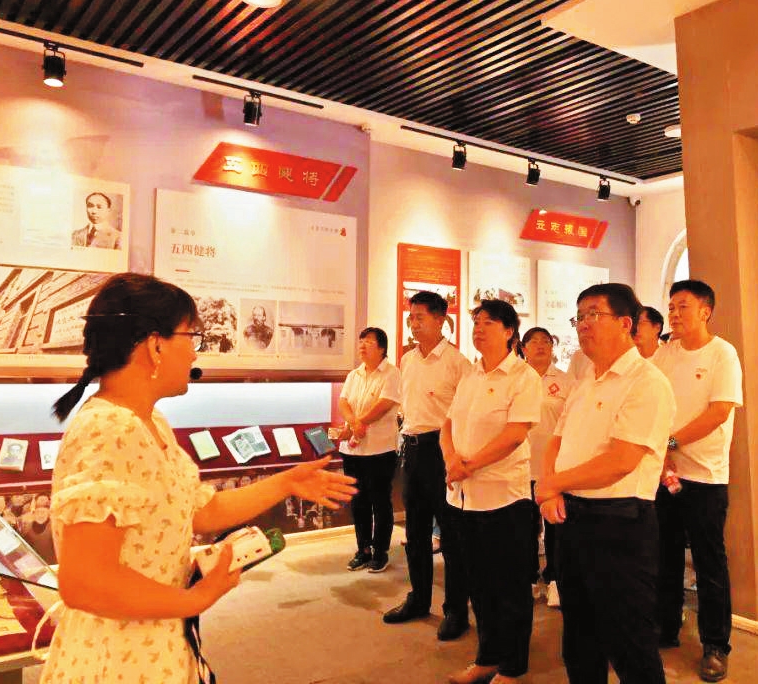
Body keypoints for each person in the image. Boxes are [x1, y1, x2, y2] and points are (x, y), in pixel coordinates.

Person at [41, 273, 356, 684]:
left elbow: (201, 511)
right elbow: (86, 583)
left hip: (155, 647)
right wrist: (194, 599)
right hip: (116, 660)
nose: (195, 351)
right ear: (155, 345)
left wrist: (286, 482)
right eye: (191, 336)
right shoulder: (110, 429)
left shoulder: (149, 422)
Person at [535, 283, 675, 684]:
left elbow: (621, 461)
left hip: (620, 523)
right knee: (579, 634)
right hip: (573, 518)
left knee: (628, 639)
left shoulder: (646, 382)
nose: (583, 325)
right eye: (579, 317)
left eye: (594, 315)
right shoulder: (586, 382)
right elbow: (556, 440)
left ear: (626, 323)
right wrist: (552, 488)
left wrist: (550, 484)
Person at [443, 300, 541, 684]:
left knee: (510, 587)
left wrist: (469, 465)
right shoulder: (471, 375)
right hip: (463, 498)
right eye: (476, 323)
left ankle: (513, 667)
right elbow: (447, 425)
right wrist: (451, 460)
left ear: (509, 331)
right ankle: (487, 658)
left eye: (488, 323)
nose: (479, 329)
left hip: (504, 499)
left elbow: (515, 434)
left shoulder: (522, 377)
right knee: (479, 584)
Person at [651, 280, 741, 681]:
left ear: (705, 311)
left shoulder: (723, 354)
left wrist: (670, 442)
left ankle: (715, 644)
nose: (674, 313)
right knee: (664, 556)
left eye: (682, 306)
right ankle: (666, 626)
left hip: (705, 476)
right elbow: (653, 402)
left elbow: (719, 412)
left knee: (709, 563)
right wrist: (660, 450)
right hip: (665, 473)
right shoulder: (665, 353)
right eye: (671, 306)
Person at [384, 290, 472, 641]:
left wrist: (454, 456)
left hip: (442, 451)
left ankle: (456, 610)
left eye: (420, 317)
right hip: (413, 450)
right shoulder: (408, 360)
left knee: (451, 536)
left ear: (441, 320)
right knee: (415, 532)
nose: (413, 324)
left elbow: (465, 416)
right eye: (411, 318)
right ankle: (418, 599)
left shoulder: (457, 363)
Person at [338, 327, 401, 573]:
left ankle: (380, 551)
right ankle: (363, 549)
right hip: (353, 450)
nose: (362, 346)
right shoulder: (354, 374)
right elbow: (343, 401)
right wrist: (354, 423)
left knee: (380, 502)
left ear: (382, 348)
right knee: (358, 502)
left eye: (368, 342)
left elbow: (384, 405)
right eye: (360, 341)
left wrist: (359, 423)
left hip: (379, 450)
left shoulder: (392, 373)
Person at [521, 326, 576, 607]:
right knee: (526, 527)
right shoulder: (517, 378)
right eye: (534, 341)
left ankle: (555, 578)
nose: (541, 345)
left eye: (546, 341)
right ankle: (529, 577)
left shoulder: (566, 381)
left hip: (554, 468)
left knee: (555, 527)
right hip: (521, 466)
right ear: (523, 348)